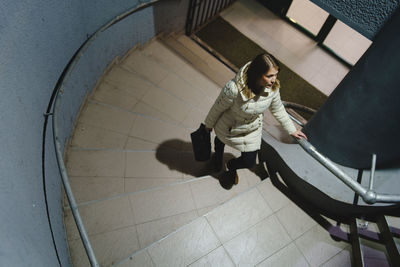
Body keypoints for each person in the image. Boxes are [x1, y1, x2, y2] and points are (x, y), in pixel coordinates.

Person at [204, 53, 307, 189]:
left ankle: (231, 165)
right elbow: (218, 107)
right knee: (220, 140)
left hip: (251, 128)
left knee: (249, 161)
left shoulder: (273, 88)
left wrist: (292, 129)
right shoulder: (233, 89)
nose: (274, 80)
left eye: (276, 74)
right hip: (230, 124)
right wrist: (208, 125)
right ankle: (217, 158)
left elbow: (278, 109)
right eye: (269, 76)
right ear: (257, 74)